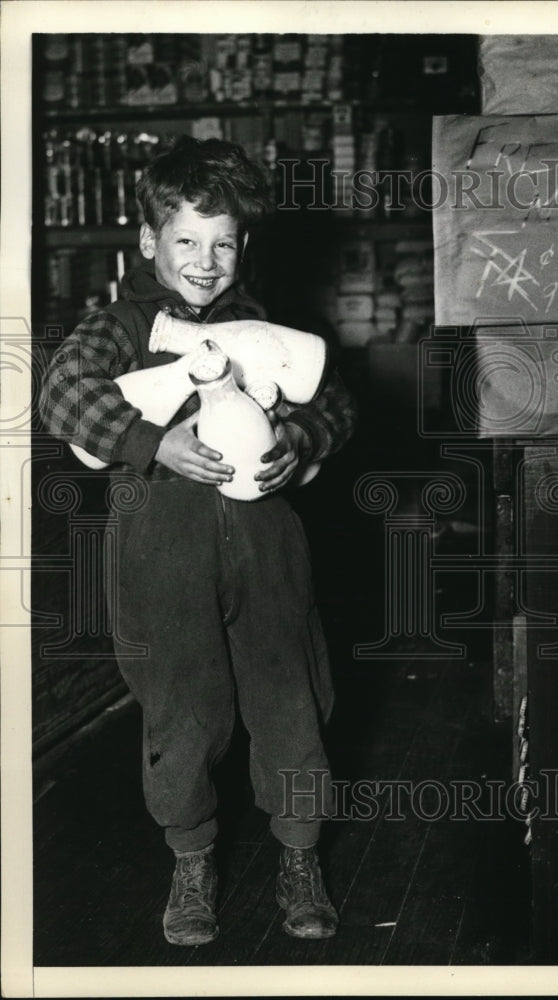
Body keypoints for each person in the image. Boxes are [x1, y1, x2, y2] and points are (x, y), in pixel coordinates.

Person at [39, 136, 356, 947]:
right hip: (161, 552)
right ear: (149, 243)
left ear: (242, 245)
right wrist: (155, 443)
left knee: (292, 698)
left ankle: (298, 854)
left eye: (222, 243)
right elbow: (61, 395)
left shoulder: (269, 329)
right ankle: (190, 861)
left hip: (267, 546)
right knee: (181, 709)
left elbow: (341, 404)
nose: (206, 262)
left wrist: (303, 440)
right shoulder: (118, 327)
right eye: (186, 240)